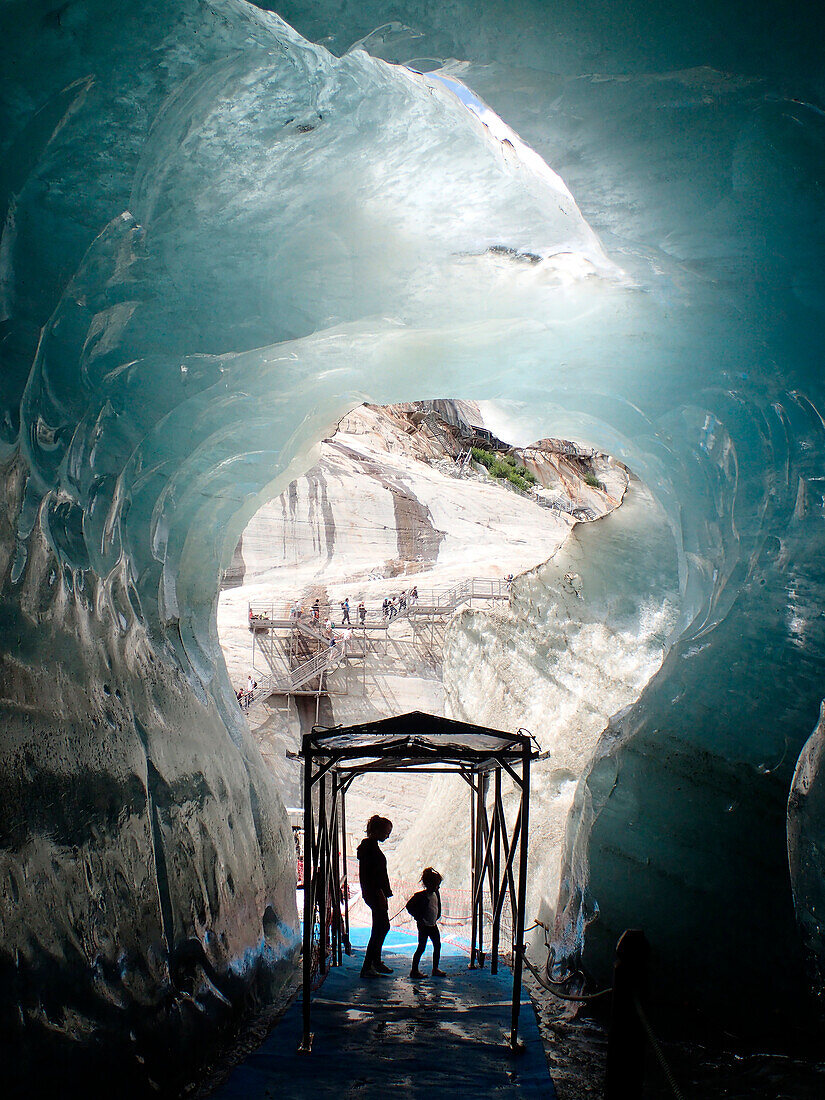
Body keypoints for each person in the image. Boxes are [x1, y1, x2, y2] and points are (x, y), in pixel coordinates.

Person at [357, 816, 394, 977]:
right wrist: (380, 893)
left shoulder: (369, 847)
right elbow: (373, 875)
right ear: (377, 831)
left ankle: (375, 962)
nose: (388, 835)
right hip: (374, 893)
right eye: (386, 832)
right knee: (381, 927)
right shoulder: (370, 849)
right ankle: (368, 966)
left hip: (374, 892)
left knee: (380, 927)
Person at [406, 867, 446, 979]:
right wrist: (419, 918)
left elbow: (436, 906)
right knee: (421, 947)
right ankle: (414, 971)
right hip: (424, 926)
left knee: (437, 945)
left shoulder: (436, 893)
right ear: (429, 884)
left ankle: (435, 969)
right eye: (436, 884)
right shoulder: (420, 896)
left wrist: (436, 917)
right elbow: (409, 906)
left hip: (433, 925)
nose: (438, 887)